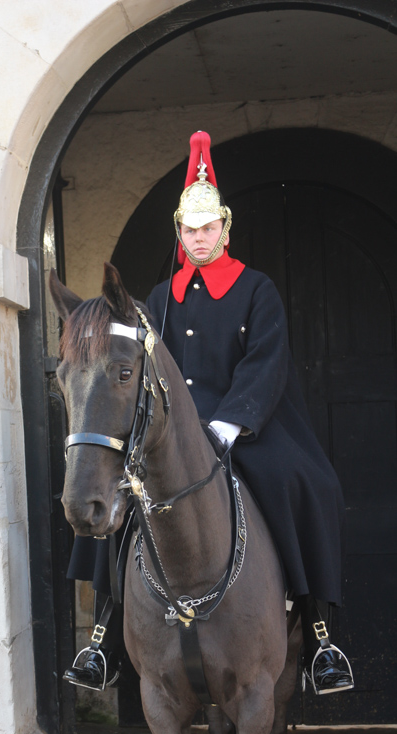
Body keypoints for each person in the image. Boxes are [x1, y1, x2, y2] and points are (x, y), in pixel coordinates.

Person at [65, 130, 354, 697]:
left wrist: (229, 422)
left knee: (304, 482)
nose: (200, 239)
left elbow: (266, 363)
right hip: (171, 435)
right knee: (114, 490)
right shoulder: (157, 299)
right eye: (190, 231)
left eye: (208, 228)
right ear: (180, 234)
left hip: (245, 427)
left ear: (224, 228)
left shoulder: (256, 289)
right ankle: (102, 638)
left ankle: (318, 634)